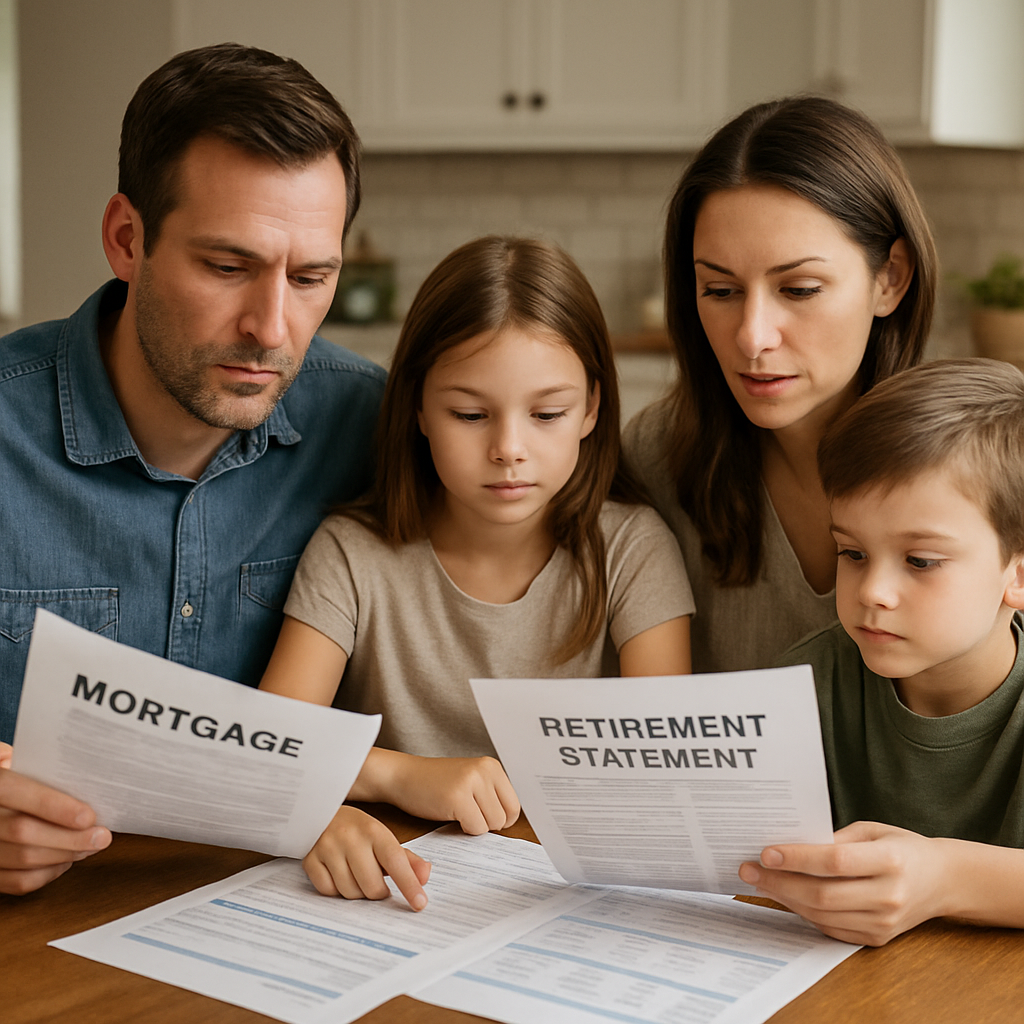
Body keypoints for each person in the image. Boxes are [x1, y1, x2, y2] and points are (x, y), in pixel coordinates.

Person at [0, 43, 385, 894]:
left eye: (312, 276)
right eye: (227, 266)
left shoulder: (375, 426)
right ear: (127, 239)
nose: (272, 328)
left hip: (280, 918)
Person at [259, 235, 695, 910]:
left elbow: (664, 770)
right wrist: (401, 777)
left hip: (569, 902)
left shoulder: (633, 550)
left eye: (546, 414)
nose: (509, 450)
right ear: (417, 411)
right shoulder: (351, 553)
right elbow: (269, 746)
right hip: (395, 893)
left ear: (592, 410)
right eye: (470, 414)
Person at [623, 95, 938, 674]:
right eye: (719, 291)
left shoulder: (981, 466)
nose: (752, 337)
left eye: (798, 289)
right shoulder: (654, 457)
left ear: (889, 279)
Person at [740, 359, 1024, 946]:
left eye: (920, 561)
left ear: (1018, 572)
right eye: (852, 553)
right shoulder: (799, 685)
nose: (872, 592)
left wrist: (944, 878)